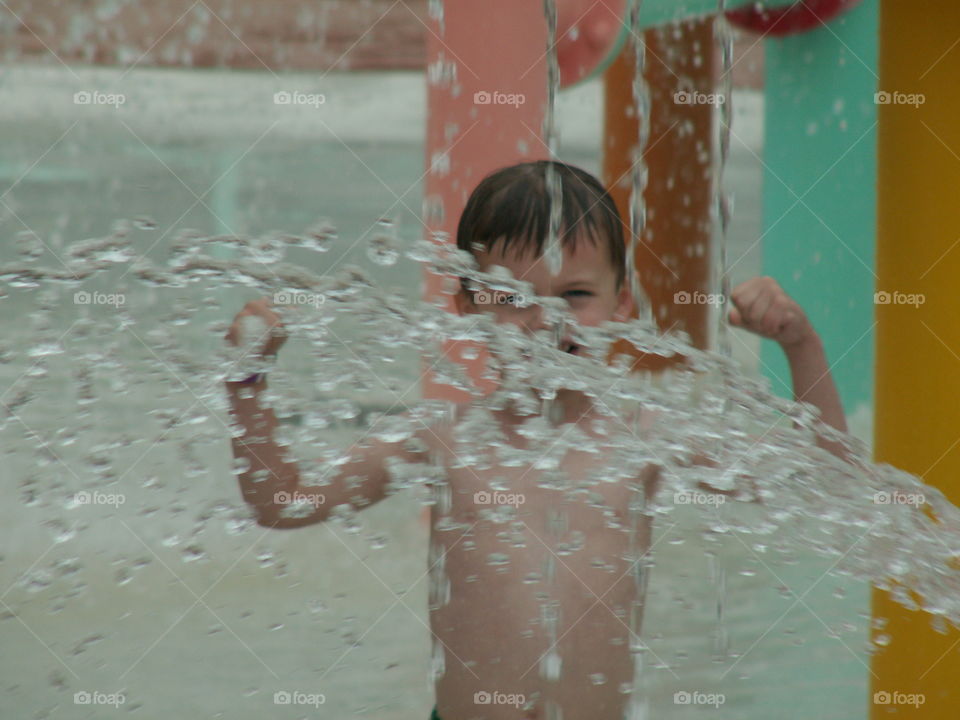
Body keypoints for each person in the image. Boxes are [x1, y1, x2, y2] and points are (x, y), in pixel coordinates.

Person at [224, 160, 848, 720]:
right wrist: (247, 381)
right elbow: (283, 502)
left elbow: (825, 491)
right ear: (468, 305)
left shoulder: (647, 437)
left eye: (575, 296)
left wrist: (801, 345)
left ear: (622, 305)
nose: (543, 321)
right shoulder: (444, 438)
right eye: (511, 297)